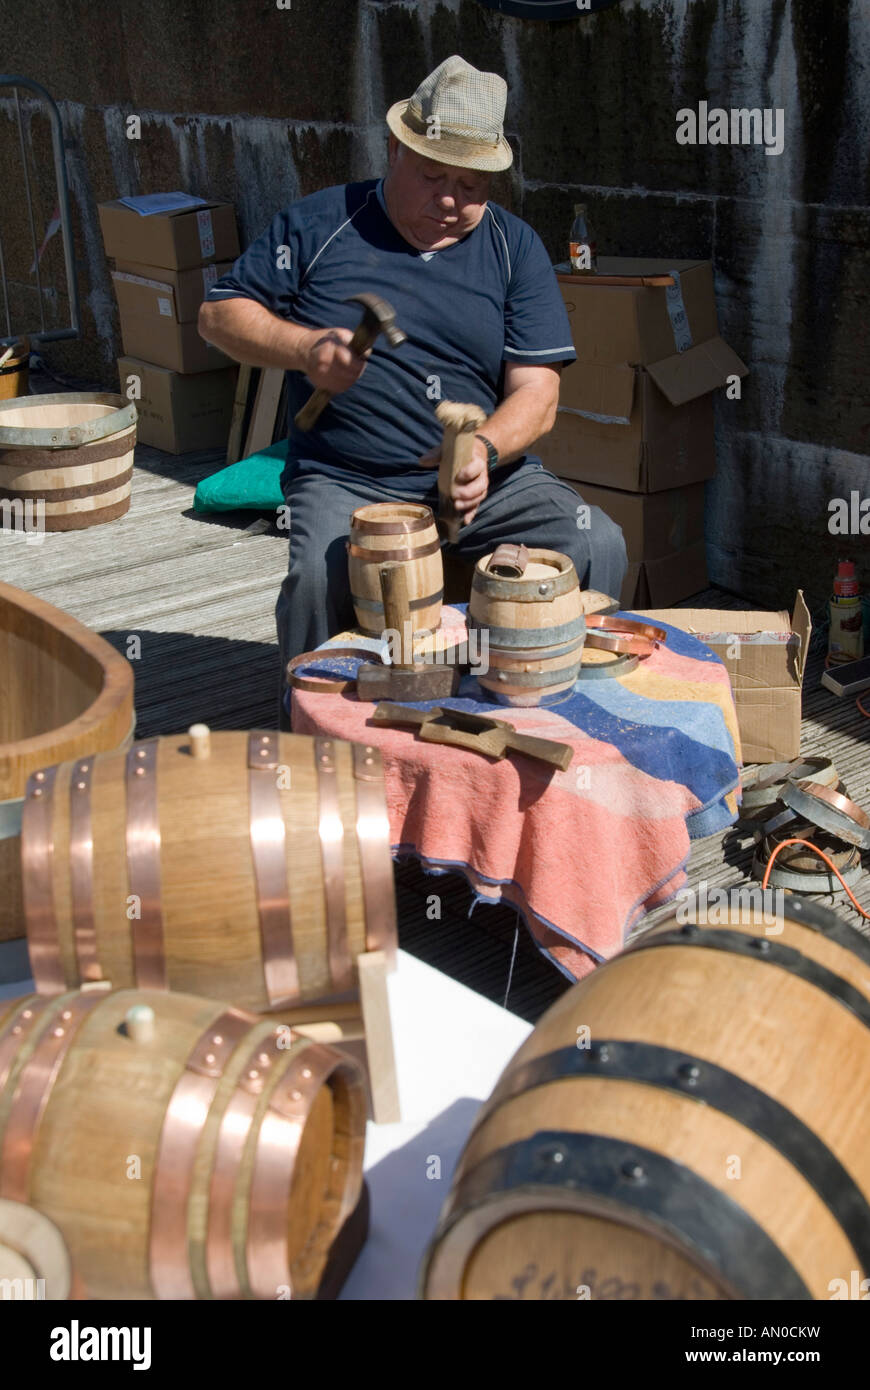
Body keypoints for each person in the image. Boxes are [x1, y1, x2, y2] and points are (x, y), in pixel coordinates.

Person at [199, 54, 627, 701]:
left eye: (473, 186)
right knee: (320, 577)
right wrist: (306, 346)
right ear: (395, 149)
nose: (452, 201)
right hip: (348, 475)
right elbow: (217, 315)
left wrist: (482, 449)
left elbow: (538, 395)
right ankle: (316, 735)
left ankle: (563, 706)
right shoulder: (319, 225)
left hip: (489, 476)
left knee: (592, 540)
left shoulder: (513, 248)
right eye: (433, 177)